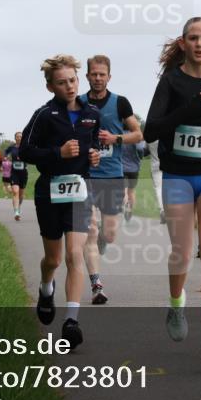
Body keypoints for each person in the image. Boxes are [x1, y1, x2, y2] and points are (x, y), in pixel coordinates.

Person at [143, 16, 201, 363]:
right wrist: (188, 109)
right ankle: (176, 305)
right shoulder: (171, 82)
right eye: (193, 38)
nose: (199, 44)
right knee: (182, 251)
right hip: (179, 176)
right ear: (183, 44)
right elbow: (151, 129)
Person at [19, 54, 100, 349]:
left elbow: (93, 148)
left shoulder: (91, 114)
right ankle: (45, 287)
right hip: (49, 193)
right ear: (50, 87)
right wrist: (57, 153)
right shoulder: (43, 115)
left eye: (73, 81)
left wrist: (93, 156)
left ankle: (71, 320)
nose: (69, 86)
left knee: (74, 255)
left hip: (79, 192)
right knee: (53, 259)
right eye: (62, 82)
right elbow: (25, 151)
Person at [79, 55, 142, 305]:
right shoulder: (78, 102)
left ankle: (100, 245)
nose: (97, 78)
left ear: (109, 77)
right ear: (87, 76)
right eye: (93, 74)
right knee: (90, 230)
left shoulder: (120, 103)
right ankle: (97, 284)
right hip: (85, 175)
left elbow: (138, 134)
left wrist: (115, 139)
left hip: (112, 175)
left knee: (110, 233)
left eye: (102, 74)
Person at [5, 131, 28, 220]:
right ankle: (16, 212)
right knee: (15, 191)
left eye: (21, 136)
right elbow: (6, 152)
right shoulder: (12, 147)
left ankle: (18, 207)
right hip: (14, 172)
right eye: (17, 136)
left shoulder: (26, 147)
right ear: (15, 138)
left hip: (23, 173)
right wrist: (5, 156)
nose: (19, 138)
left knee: (21, 195)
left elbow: (32, 154)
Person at [121, 141, 145, 221]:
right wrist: (141, 156)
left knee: (123, 189)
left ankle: (125, 204)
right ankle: (129, 209)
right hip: (134, 168)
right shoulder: (135, 134)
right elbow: (140, 148)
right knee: (131, 190)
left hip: (121, 167)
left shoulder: (119, 133)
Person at [149, 140, 166, 224]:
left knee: (158, 188)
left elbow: (144, 150)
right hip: (167, 164)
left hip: (155, 165)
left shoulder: (151, 139)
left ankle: (162, 210)